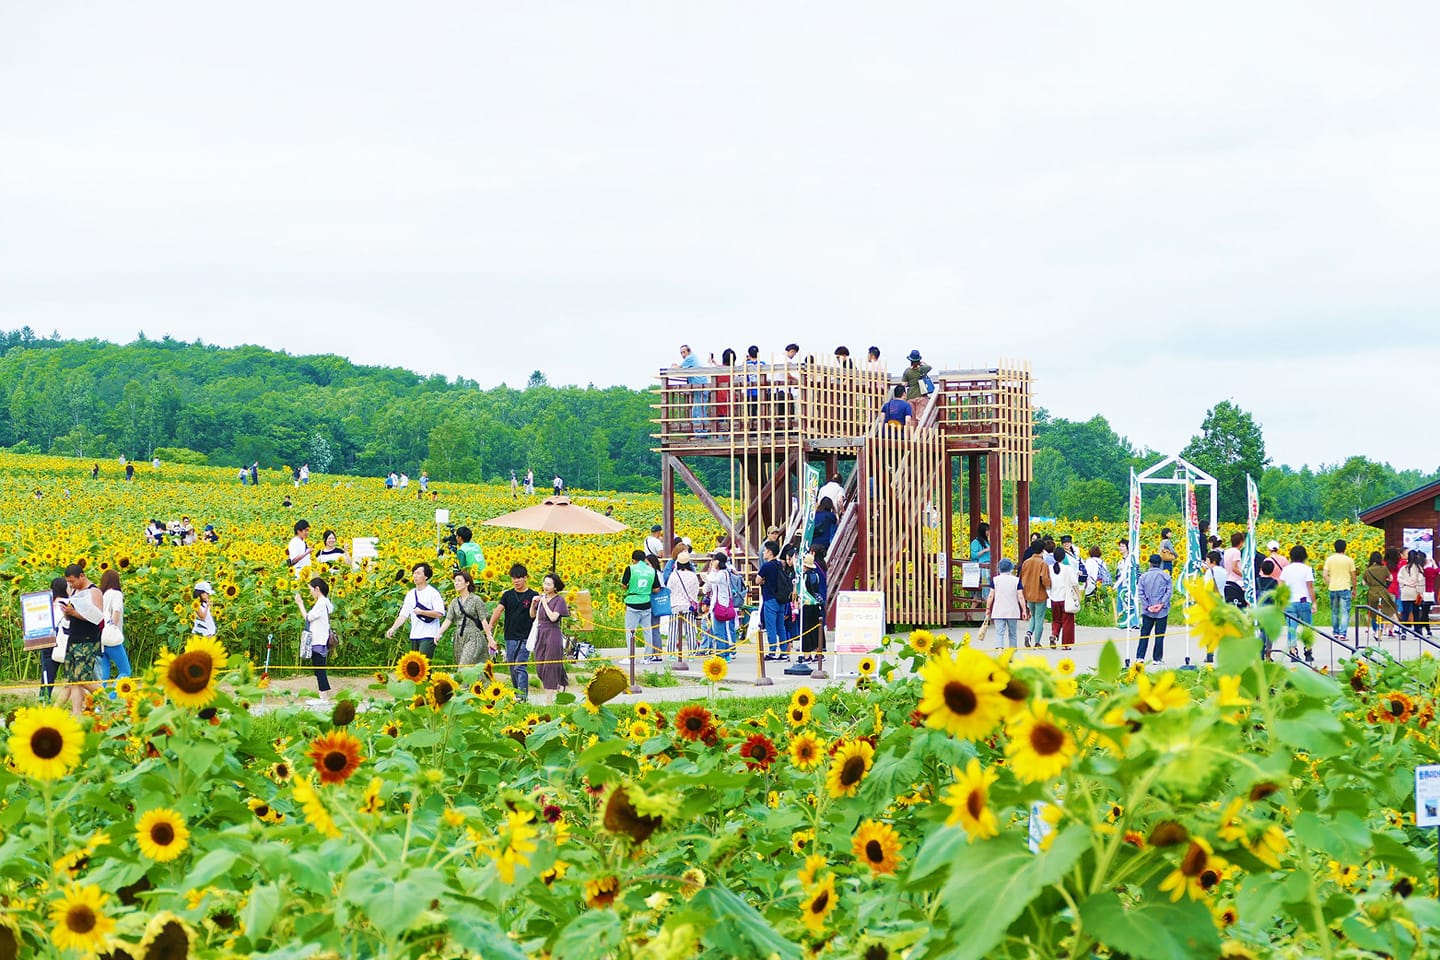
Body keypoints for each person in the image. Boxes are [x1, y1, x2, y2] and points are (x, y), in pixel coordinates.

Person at [59, 564, 104, 715]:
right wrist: (67, 612)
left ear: (82, 576)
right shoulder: (73, 591)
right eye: (69, 582)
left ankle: (108, 700)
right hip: (73, 638)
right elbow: (71, 615)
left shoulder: (94, 591)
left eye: (73, 581)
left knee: (82, 678)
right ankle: (76, 714)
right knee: (73, 681)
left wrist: (74, 613)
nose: (71, 585)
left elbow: (97, 617)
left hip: (87, 639)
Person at [489, 564, 538, 700]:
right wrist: (490, 625)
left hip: (526, 637)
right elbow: (498, 610)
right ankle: (518, 693)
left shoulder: (533, 595)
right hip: (510, 635)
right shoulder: (507, 595)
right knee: (512, 665)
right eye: (513, 578)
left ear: (525, 578)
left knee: (520, 666)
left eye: (519, 578)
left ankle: (522, 697)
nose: (516, 581)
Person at [385, 563, 445, 656]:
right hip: (415, 635)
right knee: (416, 666)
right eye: (414, 573)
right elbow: (403, 615)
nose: (415, 576)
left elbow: (440, 613)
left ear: (426, 576)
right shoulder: (410, 594)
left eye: (418, 573)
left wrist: (422, 612)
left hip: (429, 634)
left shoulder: (433, 593)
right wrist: (393, 628)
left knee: (423, 664)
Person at [437, 569, 494, 667]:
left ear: (467, 583)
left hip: (473, 636)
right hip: (459, 637)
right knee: (469, 667)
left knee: (464, 665)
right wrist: (439, 633)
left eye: (459, 581)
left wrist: (490, 638)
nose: (456, 583)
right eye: (455, 581)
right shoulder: (454, 602)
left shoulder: (476, 600)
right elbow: (448, 620)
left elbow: (484, 620)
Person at [294, 577, 334, 700]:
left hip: (318, 641)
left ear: (317, 589)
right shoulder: (326, 602)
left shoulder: (321, 603)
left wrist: (300, 603)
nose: (310, 592)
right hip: (322, 640)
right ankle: (323, 696)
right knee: (319, 668)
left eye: (311, 589)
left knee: (319, 669)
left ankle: (323, 698)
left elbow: (308, 617)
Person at [530, 574, 570, 693]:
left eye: (549, 584)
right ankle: (562, 680)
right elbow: (532, 615)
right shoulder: (542, 598)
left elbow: (553, 617)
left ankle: (548, 700)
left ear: (555, 587)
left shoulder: (559, 600)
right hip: (541, 633)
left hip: (553, 633)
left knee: (550, 666)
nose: (546, 587)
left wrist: (545, 603)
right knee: (539, 666)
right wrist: (533, 603)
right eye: (545, 583)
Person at [622, 549, 661, 663]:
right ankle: (647, 657)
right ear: (644, 559)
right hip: (646, 603)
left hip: (633, 602)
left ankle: (631, 657)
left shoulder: (630, 569)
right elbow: (656, 589)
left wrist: (632, 587)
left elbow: (624, 585)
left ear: (633, 560)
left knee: (630, 631)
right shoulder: (651, 571)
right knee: (647, 631)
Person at [1279, 544, 1316, 661]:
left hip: (1290, 602)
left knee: (1292, 628)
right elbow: (1310, 587)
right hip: (1304, 601)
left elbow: (1281, 586)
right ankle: (1308, 650)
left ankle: (1293, 651)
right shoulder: (1307, 569)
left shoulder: (1286, 569)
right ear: (1304, 556)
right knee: (1307, 628)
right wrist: (1314, 602)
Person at [96, 569, 131, 689]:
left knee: (103, 674)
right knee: (126, 671)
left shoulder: (102, 594)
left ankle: (100, 700)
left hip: (101, 637)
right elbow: (116, 610)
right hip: (111, 637)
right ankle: (112, 697)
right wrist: (113, 627)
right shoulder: (116, 593)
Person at [666, 550, 704, 658]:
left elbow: (669, 590)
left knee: (673, 630)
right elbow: (696, 590)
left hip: (675, 605)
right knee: (690, 630)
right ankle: (692, 652)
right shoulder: (693, 576)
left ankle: (671, 652)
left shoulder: (674, 575)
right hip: (688, 606)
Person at [1135, 555, 1172, 664]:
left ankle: (1140, 657)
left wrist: (1147, 606)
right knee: (1159, 635)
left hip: (1148, 610)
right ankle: (1157, 658)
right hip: (1162, 610)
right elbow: (1168, 592)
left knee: (1144, 634)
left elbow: (1141, 593)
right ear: (1160, 563)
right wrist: (1161, 604)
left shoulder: (1143, 577)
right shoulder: (1166, 576)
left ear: (1149, 563)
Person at [756, 541, 789, 661]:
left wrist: (764, 580)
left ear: (770, 552)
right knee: (781, 626)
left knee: (771, 626)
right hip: (781, 598)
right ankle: (784, 652)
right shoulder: (780, 564)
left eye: (765, 550)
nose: (764, 552)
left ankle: (772, 651)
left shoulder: (766, 566)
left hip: (770, 598)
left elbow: (757, 580)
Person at [705, 552, 740, 660]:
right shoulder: (722, 573)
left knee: (719, 631)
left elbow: (712, 579)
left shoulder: (722, 573)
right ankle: (725, 654)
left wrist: (711, 570)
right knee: (722, 631)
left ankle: (721, 655)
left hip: (720, 605)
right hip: (719, 604)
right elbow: (707, 587)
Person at [1322, 539, 1355, 641]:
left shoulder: (1329, 559)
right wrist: (1354, 589)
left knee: (1335, 611)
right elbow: (1354, 576)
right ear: (1345, 548)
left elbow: (1324, 575)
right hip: (1345, 587)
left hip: (1333, 588)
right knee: (1345, 612)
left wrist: (1330, 582)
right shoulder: (1349, 560)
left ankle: (1336, 633)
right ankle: (1342, 634)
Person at [1020, 542, 1052, 648]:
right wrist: (1050, 586)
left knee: (1033, 616)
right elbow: (1045, 580)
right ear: (1042, 550)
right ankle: (1037, 642)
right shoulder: (1043, 563)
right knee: (1039, 618)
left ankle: (1028, 633)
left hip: (1028, 593)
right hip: (1040, 594)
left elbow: (1022, 577)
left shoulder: (1026, 562)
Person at [797, 551, 827, 663]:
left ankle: (807, 655)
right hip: (816, 605)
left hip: (807, 604)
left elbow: (804, 591)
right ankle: (819, 653)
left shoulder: (804, 577)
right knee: (816, 629)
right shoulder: (816, 575)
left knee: (806, 629)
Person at [42, 576, 67, 703]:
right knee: (71, 676)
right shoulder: (70, 603)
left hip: (49, 638)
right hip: (66, 640)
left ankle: (44, 700)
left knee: (48, 674)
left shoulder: (48, 605)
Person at [1046, 551, 1079, 648]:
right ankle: (1066, 644)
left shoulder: (1050, 568)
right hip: (1065, 599)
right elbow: (1074, 581)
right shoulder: (1067, 569)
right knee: (1067, 622)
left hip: (1054, 598)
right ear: (1063, 557)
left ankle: (1054, 635)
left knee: (1056, 620)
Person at [675, 344, 709, 432]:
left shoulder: (690, 358)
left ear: (689, 351)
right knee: (700, 410)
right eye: (681, 353)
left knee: (698, 411)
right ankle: (701, 432)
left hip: (699, 386)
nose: (683, 355)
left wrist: (674, 366)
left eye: (684, 352)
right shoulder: (692, 358)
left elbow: (677, 368)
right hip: (700, 386)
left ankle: (701, 433)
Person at [1363, 551, 1395, 639]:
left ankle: (1375, 629)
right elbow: (1391, 578)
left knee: (1373, 613)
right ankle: (1381, 629)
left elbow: (1363, 583)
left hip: (1372, 592)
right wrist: (1386, 585)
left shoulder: (1368, 570)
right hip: (1382, 592)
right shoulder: (1384, 568)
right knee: (1386, 610)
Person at [1398, 550, 1427, 636]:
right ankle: (1417, 631)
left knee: (1405, 613)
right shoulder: (1419, 568)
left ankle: (1403, 631)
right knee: (1416, 612)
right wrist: (1419, 590)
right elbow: (1421, 580)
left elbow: (1399, 578)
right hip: (1416, 593)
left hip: (1406, 593)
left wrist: (1407, 583)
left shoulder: (1404, 568)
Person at [901, 350, 933, 421]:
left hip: (910, 396)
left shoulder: (907, 371)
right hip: (921, 396)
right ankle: (921, 432)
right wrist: (922, 363)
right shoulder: (922, 369)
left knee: (912, 419)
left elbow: (904, 383)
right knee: (920, 418)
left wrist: (910, 383)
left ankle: (913, 432)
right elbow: (930, 367)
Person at [1223, 532, 1248, 608]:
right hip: (1237, 581)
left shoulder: (1227, 551)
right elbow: (1234, 568)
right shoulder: (1236, 552)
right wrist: (1244, 576)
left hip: (1227, 579)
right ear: (1241, 542)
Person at [714, 348, 736, 428]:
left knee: (720, 420)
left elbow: (719, 367)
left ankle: (721, 436)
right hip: (730, 396)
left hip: (719, 397)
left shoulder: (718, 370)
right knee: (730, 419)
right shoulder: (733, 370)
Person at [970, 522, 992, 601]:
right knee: (985, 585)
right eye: (987, 530)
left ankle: (970, 612)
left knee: (980, 591)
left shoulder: (987, 542)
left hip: (988, 567)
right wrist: (985, 550)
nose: (989, 532)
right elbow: (974, 555)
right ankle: (987, 600)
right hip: (983, 569)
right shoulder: (975, 542)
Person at [1422, 552, 1438, 638]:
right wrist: (1434, 562)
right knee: (1425, 613)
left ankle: (1426, 629)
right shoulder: (1429, 570)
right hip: (1428, 593)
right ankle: (1427, 630)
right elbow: (1437, 570)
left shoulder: (1422, 570)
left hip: (1421, 593)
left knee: (1423, 612)